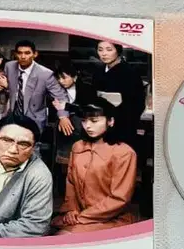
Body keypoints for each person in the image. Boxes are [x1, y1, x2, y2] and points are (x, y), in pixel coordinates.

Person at [52, 100, 138, 234]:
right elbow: (71, 182)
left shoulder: (124, 153)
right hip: (77, 215)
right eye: (84, 121)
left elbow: (119, 198)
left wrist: (82, 217)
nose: (88, 126)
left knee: (63, 237)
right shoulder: (78, 146)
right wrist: (71, 209)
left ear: (110, 121)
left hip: (110, 218)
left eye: (94, 121)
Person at [4, 39, 73, 136]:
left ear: (35, 54)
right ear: (15, 54)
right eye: (19, 53)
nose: (23, 56)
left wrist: (63, 116)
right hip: (13, 117)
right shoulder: (9, 66)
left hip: (34, 118)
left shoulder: (45, 74)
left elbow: (61, 96)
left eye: (27, 53)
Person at [92, 41, 146, 148]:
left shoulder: (130, 72)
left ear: (118, 51)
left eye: (109, 49)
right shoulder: (98, 71)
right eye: (100, 50)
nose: (104, 54)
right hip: (100, 124)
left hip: (123, 125)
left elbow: (138, 104)